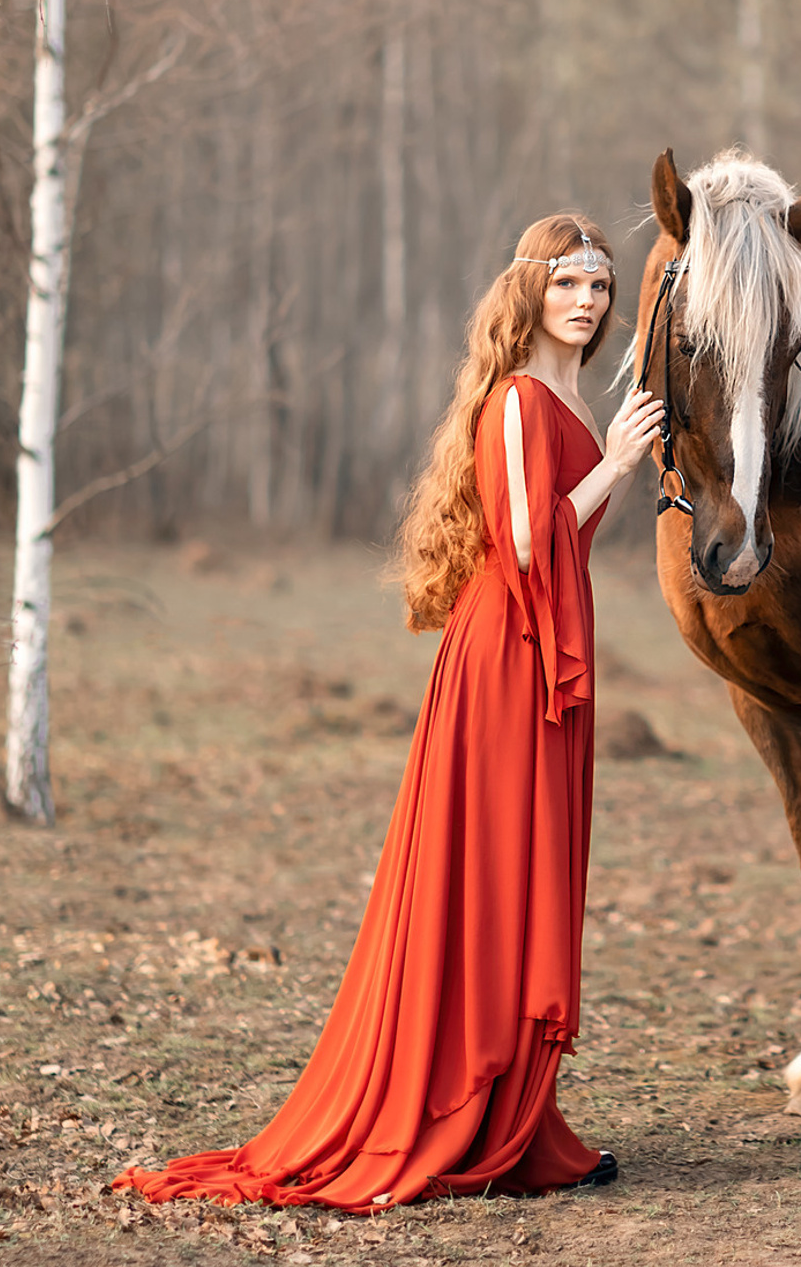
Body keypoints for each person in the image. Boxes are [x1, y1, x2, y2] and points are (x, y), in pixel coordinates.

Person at [113, 214, 665, 1210]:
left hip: (546, 656)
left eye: (601, 287)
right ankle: (461, 1113)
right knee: (491, 871)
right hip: (506, 660)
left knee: (529, 869)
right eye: (570, 283)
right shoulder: (514, 402)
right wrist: (616, 466)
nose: (588, 302)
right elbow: (531, 548)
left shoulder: (571, 399)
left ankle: (515, 1118)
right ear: (530, 290)